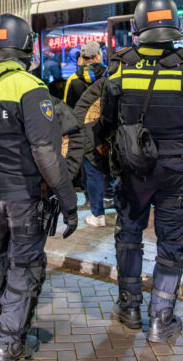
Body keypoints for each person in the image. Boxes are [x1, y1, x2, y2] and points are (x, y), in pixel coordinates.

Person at [100, 0, 183, 341]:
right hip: (176, 169)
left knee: (128, 236)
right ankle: (160, 318)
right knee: (170, 241)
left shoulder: (119, 64)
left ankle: (129, 307)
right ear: (175, 25)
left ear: (137, 26)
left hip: (132, 169)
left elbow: (106, 121)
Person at [0, 14, 78, 361]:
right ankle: (7, 343)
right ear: (25, 46)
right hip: (22, 196)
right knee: (23, 266)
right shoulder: (29, 87)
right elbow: (46, 153)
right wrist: (68, 201)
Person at [64, 41, 108, 227]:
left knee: (92, 171)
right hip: (109, 130)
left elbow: (68, 109)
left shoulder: (73, 80)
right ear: (98, 56)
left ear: (82, 58)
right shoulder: (110, 75)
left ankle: (96, 211)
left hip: (86, 134)